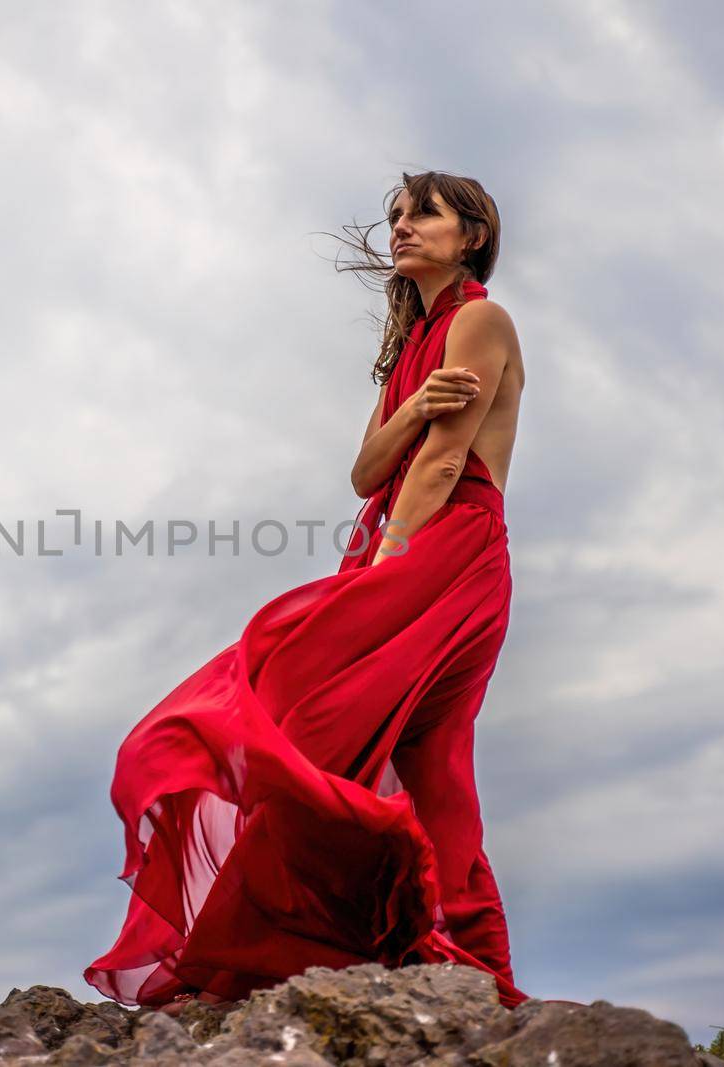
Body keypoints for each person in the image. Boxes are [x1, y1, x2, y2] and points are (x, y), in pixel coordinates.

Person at [83, 170, 529, 1015]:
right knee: (431, 769)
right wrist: (409, 412)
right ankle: (478, 981)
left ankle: (287, 930)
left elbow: (441, 461)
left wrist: (386, 566)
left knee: (299, 709)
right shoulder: (411, 350)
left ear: (472, 234)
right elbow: (366, 468)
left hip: (443, 545)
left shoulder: (480, 318)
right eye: (395, 214)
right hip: (408, 541)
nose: (399, 226)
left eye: (422, 212)